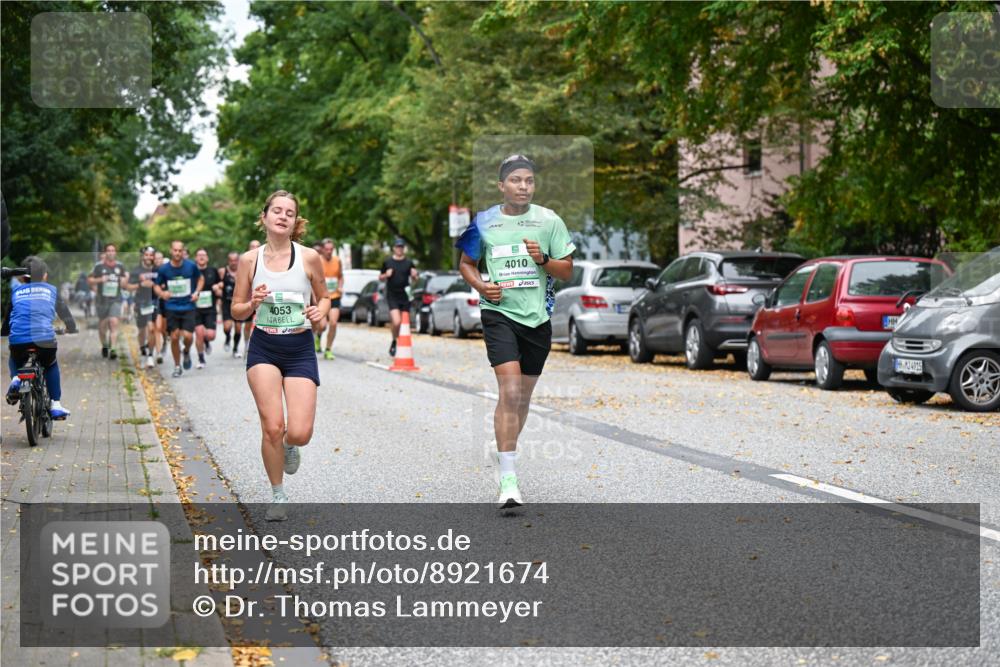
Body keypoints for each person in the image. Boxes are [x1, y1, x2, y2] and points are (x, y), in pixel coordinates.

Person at [455, 154, 575, 509]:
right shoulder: (484, 223)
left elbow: (567, 271)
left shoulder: (549, 221)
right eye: (516, 180)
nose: (523, 186)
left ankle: (502, 449)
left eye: (529, 181)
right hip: (498, 313)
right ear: (501, 186)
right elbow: (466, 264)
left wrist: (543, 260)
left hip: (537, 318)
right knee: (508, 390)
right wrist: (481, 286)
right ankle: (509, 478)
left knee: (522, 398)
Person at [230, 190, 329, 522]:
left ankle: (290, 444)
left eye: (290, 212)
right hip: (264, 347)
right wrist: (253, 303)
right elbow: (237, 311)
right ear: (264, 216)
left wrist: (320, 313)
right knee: (272, 426)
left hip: (299, 347)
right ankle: (278, 494)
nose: (283, 216)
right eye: (277, 210)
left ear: (295, 222)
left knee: (299, 432)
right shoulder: (249, 261)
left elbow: (325, 298)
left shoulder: (310, 257)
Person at [5, 256, 78, 419]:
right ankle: (56, 404)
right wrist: (72, 328)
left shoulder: (16, 291)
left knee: (14, 358)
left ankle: (16, 378)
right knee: (51, 364)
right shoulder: (51, 290)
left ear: (23, 277)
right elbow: (64, 312)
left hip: (18, 341)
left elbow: (9, 317)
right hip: (45, 340)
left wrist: (4, 333)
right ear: (44, 275)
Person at [154, 240, 203, 378]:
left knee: (188, 336)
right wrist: (162, 294)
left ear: (183, 251)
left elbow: (201, 279)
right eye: (175, 250)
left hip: (188, 305)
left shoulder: (191, 266)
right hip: (171, 306)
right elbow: (156, 286)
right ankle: (177, 366)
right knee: (174, 337)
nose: (177, 253)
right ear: (171, 251)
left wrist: (196, 292)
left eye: (180, 250)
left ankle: (186, 351)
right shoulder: (164, 269)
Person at [378, 238, 418, 357]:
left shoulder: (409, 263)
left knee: (404, 323)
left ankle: (399, 342)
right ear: (394, 248)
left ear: (403, 248)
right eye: (397, 247)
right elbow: (380, 277)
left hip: (405, 295)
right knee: (396, 321)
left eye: (401, 247)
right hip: (392, 295)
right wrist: (386, 274)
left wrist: (415, 276)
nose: (399, 249)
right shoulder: (388, 262)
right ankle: (395, 340)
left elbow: (415, 279)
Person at [88, 243, 127, 360]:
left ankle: (113, 348)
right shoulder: (98, 266)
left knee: (113, 322)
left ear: (115, 253)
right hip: (102, 300)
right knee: (102, 326)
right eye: (108, 250)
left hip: (116, 298)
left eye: (113, 250)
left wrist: (121, 280)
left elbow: (125, 282)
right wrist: (101, 279)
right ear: (105, 253)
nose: (110, 252)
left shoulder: (120, 266)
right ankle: (105, 345)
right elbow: (90, 280)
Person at [127, 246, 161, 369]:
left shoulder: (158, 269)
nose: (148, 257)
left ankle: (150, 355)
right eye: (146, 255)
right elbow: (128, 287)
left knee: (152, 328)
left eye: (151, 255)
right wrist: (141, 284)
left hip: (154, 301)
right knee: (142, 330)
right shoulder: (136, 271)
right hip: (141, 302)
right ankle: (143, 350)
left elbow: (164, 283)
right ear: (142, 256)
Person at [314, 238, 344, 360]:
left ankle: (328, 349)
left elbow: (341, 276)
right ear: (322, 250)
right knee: (322, 326)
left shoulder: (338, 261)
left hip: (334, 296)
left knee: (333, 323)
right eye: (327, 249)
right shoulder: (317, 261)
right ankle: (318, 337)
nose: (329, 251)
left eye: (331, 249)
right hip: (321, 297)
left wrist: (341, 286)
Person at [193, 248, 221, 369]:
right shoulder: (192, 271)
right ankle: (201, 358)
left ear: (207, 258)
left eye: (204, 255)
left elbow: (221, 284)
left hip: (210, 308)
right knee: (199, 333)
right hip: (196, 308)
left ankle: (206, 341)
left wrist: (218, 286)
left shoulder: (213, 271)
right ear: (196, 258)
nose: (201, 257)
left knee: (210, 335)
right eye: (199, 255)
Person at [220, 251, 242, 354]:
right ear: (228, 261)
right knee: (227, 327)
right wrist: (217, 287)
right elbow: (216, 283)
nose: (233, 262)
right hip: (226, 303)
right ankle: (228, 338)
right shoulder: (222, 271)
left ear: (238, 261)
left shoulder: (243, 271)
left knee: (238, 328)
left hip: (238, 302)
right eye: (231, 260)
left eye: (235, 260)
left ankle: (235, 348)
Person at [153, 250, 167, 362]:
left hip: (166, 302)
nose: (158, 260)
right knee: (157, 327)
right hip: (154, 301)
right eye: (156, 258)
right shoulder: (151, 271)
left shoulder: (167, 270)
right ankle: (158, 353)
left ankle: (165, 340)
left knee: (164, 328)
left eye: (160, 258)